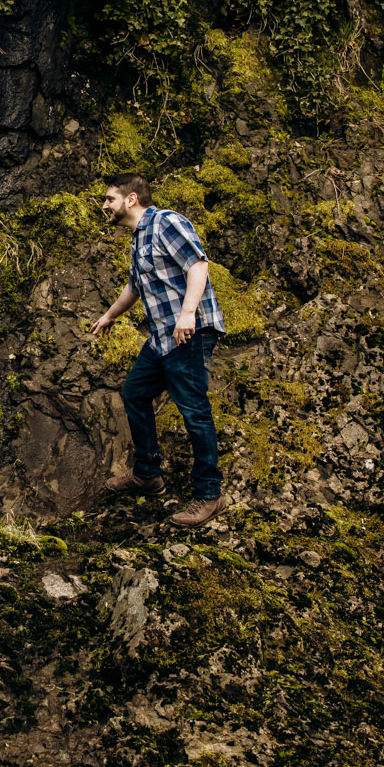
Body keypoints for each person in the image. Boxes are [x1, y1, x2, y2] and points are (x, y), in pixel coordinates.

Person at [90, 173, 230, 527]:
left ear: (131, 199)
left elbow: (198, 264)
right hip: (162, 339)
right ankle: (148, 475)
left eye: (110, 199)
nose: (104, 205)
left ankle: (210, 495)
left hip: (188, 333)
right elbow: (134, 287)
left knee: (194, 412)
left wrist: (187, 314)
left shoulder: (166, 222)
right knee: (135, 391)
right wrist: (108, 316)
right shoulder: (139, 239)